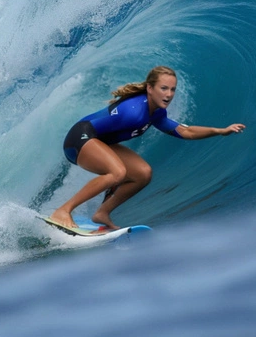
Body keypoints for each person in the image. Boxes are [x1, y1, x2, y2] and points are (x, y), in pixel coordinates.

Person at [48, 66, 245, 235]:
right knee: (117, 172)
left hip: (99, 141)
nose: (169, 94)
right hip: (79, 139)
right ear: (150, 88)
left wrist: (220, 130)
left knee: (143, 173)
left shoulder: (156, 112)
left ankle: (102, 213)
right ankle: (63, 210)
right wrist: (113, 176)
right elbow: (93, 127)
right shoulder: (133, 111)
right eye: (164, 88)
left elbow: (186, 132)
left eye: (172, 89)